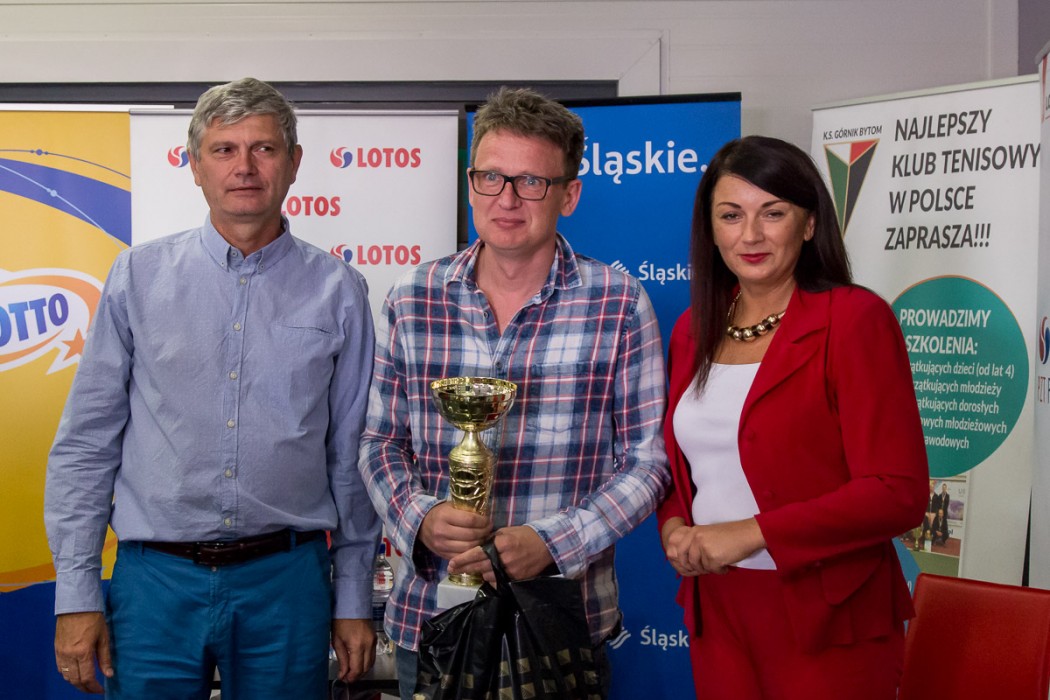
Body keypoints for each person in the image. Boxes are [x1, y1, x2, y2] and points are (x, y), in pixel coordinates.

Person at [44, 77, 380, 698]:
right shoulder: (136, 278)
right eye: (224, 149)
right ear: (195, 166)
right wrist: (77, 592)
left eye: (264, 149)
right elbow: (87, 445)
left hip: (288, 583)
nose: (244, 167)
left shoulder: (339, 290)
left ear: (294, 162)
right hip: (154, 585)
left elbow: (351, 454)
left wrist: (354, 594)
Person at [358, 86, 670, 699]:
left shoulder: (618, 303)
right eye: (491, 178)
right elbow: (379, 442)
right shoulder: (412, 297)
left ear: (569, 195)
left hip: (558, 625)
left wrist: (552, 543)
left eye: (531, 182)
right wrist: (421, 518)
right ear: (471, 183)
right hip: (432, 621)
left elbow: (648, 463)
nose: (506, 199)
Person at [656, 135, 929, 700]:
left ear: (809, 224)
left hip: (830, 615)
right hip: (718, 607)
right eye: (731, 215)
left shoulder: (855, 319)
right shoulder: (692, 329)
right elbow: (683, 465)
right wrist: (675, 525)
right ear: (711, 228)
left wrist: (750, 533)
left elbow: (898, 492)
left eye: (773, 213)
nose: (750, 235)